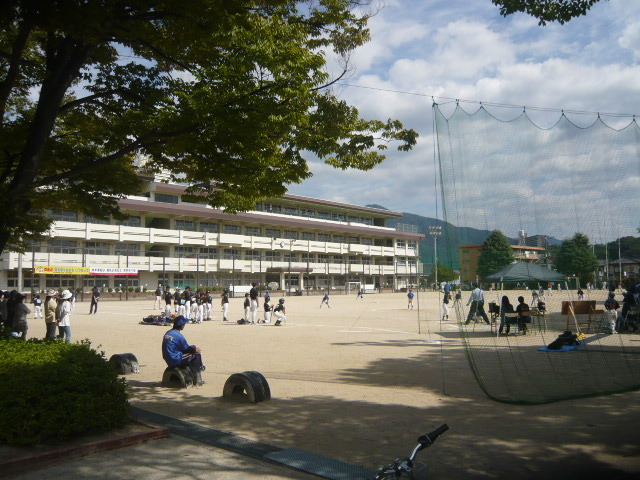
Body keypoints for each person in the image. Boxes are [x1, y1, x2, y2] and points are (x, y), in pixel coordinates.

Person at [161, 316, 205, 381]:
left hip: (167, 358)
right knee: (196, 354)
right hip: (175, 359)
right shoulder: (179, 336)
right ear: (182, 326)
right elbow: (188, 349)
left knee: (192, 348)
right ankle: (197, 376)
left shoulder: (168, 333)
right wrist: (195, 350)